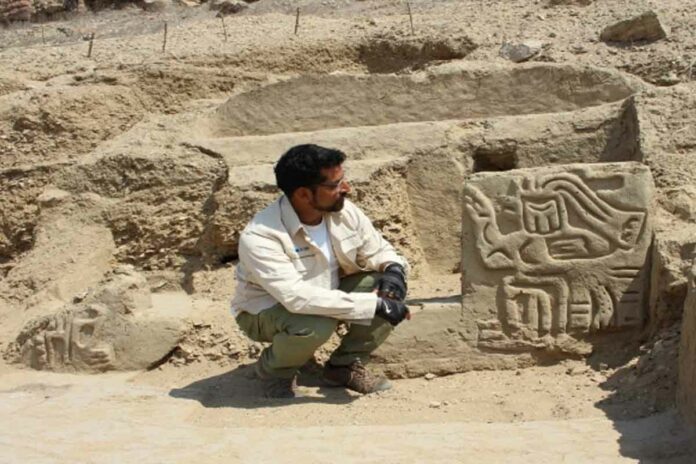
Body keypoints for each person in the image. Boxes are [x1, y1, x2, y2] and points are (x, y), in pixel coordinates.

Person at [231, 144, 410, 399]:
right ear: (304, 194)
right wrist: (373, 306)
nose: (346, 189)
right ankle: (275, 371)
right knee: (316, 323)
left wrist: (393, 271)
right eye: (335, 184)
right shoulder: (261, 236)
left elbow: (378, 250)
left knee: (387, 288)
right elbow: (297, 298)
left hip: (326, 294)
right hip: (264, 312)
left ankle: (343, 367)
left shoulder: (343, 211)